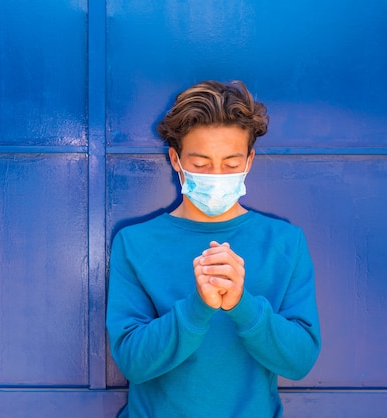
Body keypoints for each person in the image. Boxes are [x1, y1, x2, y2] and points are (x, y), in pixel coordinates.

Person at [106, 80, 321, 417]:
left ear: (249, 161)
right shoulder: (134, 244)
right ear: (175, 159)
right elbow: (133, 362)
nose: (217, 175)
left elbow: (299, 361)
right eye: (201, 164)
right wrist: (198, 307)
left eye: (231, 164)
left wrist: (242, 305)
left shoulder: (284, 243)